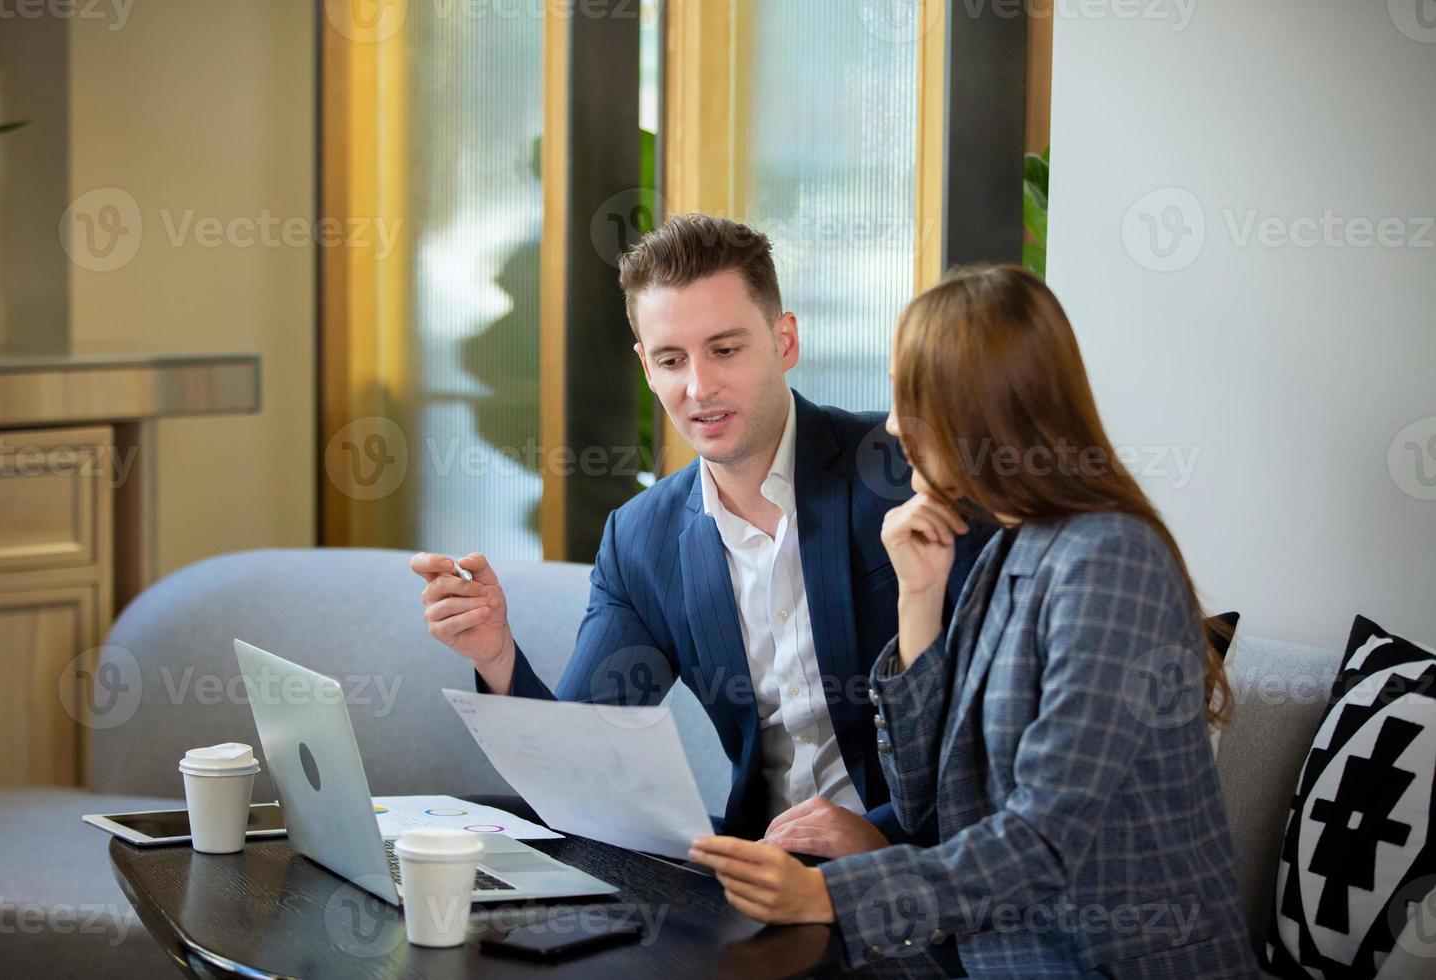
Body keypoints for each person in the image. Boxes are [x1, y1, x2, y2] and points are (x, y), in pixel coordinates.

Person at [689, 265, 1257, 978]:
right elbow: (929, 803)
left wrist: (824, 893)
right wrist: (918, 599)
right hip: (1001, 955)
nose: (894, 424)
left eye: (911, 400)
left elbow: (1042, 842)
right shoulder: (1009, 550)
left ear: (981, 412)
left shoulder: (1111, 561)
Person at [411, 214, 990, 854]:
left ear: (785, 340)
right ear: (647, 368)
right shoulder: (640, 540)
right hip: (750, 877)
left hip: (920, 878)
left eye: (725, 349)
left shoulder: (909, 470)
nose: (699, 386)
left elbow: (991, 729)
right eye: (671, 359)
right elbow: (581, 761)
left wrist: (881, 842)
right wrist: (495, 654)